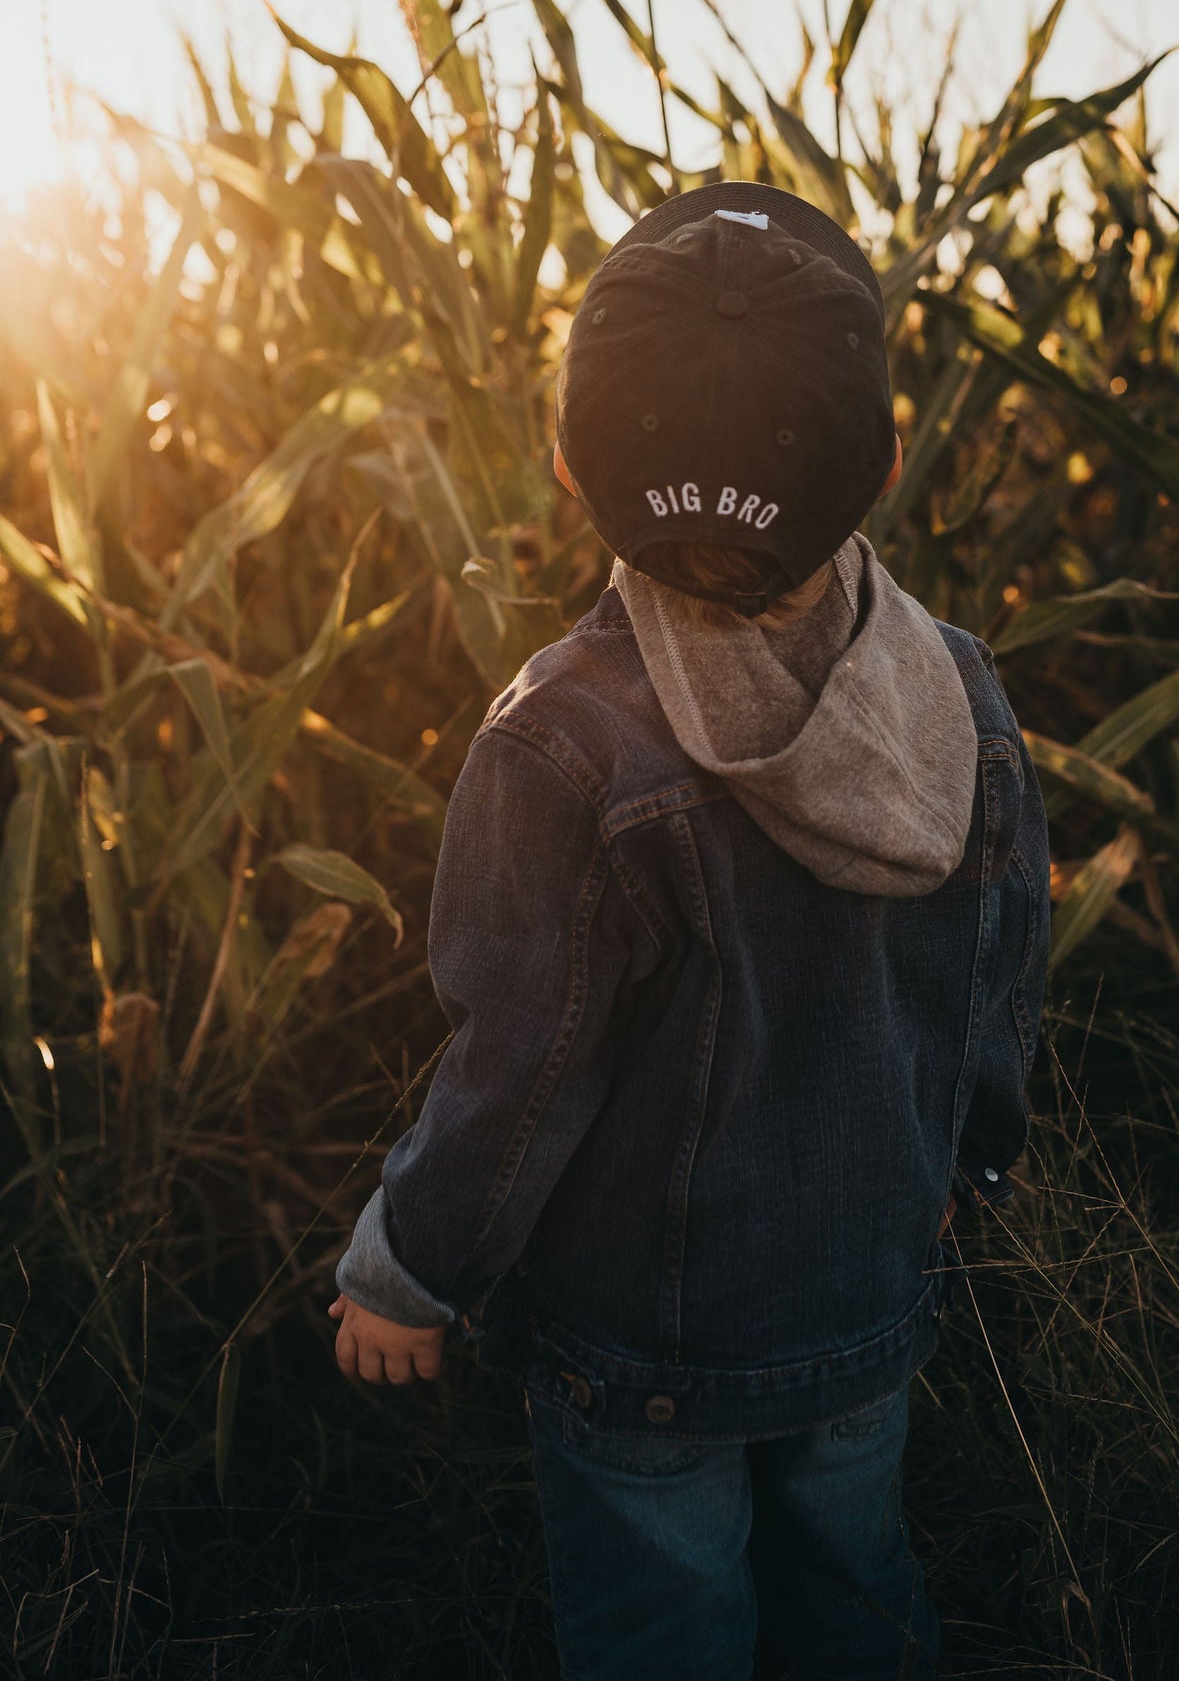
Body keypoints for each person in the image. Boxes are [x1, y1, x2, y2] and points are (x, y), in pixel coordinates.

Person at [329, 181, 1051, 1680]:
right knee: (855, 1587)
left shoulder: (563, 740)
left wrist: (413, 1263)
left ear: (567, 458)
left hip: (640, 1345)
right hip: (870, 1287)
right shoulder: (962, 693)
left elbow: (521, 1061)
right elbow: (997, 969)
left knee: (668, 1628)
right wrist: (964, 1159)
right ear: (889, 460)